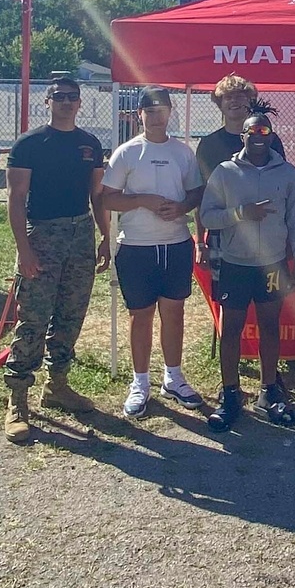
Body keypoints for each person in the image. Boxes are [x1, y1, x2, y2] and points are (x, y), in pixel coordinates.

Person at [4, 77, 111, 445]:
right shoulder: (29, 144)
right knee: (33, 317)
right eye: (59, 97)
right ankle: (18, 398)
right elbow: (16, 199)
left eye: (72, 97)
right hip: (43, 236)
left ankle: (57, 385)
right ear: (46, 102)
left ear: (80, 103)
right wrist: (24, 249)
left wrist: (104, 238)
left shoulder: (90, 144)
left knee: (71, 313)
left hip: (81, 235)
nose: (66, 102)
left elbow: (97, 195)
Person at [100, 87, 205, 418]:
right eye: (149, 110)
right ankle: (140, 382)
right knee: (140, 315)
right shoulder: (127, 152)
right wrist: (143, 200)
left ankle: (173, 377)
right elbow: (107, 198)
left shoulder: (183, 152)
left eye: (162, 109)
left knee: (174, 313)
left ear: (170, 112)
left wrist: (182, 208)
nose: (156, 115)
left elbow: (195, 193)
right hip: (136, 246)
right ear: (139, 115)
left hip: (175, 244)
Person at [199, 113, 295, 432]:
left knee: (269, 326)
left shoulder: (287, 173)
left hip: (272, 264)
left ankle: (268, 392)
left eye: (265, 130)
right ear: (242, 136)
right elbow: (207, 216)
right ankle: (230, 394)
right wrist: (239, 214)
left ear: (272, 136)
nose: (259, 135)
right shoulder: (225, 172)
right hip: (234, 263)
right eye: (252, 130)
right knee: (230, 329)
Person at [194, 74, 286, 276]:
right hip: (223, 234)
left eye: (240, 96)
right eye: (228, 97)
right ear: (220, 104)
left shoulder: (271, 139)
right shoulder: (209, 145)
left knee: (267, 303)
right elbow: (202, 197)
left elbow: (282, 189)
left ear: (250, 101)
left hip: (267, 232)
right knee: (228, 304)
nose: (234, 101)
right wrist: (200, 242)